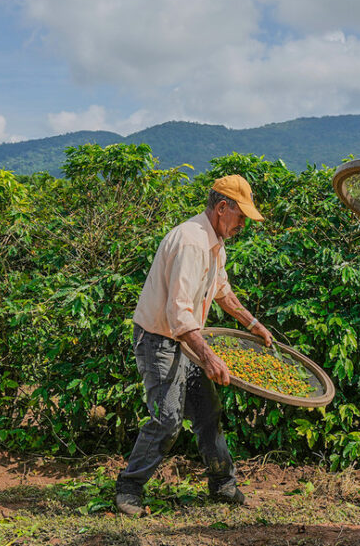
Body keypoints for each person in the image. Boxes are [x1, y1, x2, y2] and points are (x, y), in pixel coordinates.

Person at [114, 174, 274, 516]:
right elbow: (178, 314)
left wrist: (253, 324)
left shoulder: (215, 242)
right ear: (221, 208)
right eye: (241, 216)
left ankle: (222, 484)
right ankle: (128, 489)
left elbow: (222, 291)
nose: (243, 223)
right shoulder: (191, 241)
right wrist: (210, 357)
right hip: (159, 339)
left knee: (208, 413)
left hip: (187, 339)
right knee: (167, 419)